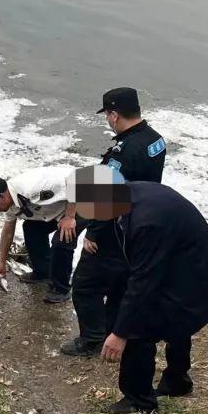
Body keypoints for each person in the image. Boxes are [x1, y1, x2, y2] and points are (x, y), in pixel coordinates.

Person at [80, 173, 208, 414]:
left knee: (139, 329)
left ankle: (139, 401)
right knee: (176, 322)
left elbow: (143, 281)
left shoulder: (147, 222)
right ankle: (177, 382)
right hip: (195, 268)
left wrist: (120, 333)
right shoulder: (135, 190)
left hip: (199, 278)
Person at [63, 86, 168, 357]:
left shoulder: (122, 153)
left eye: (107, 115)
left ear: (114, 114)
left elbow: (109, 195)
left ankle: (92, 340)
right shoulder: (156, 140)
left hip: (114, 227)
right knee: (121, 283)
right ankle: (114, 328)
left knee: (85, 285)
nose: (107, 120)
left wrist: (93, 234)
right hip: (142, 220)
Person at [0, 166, 81, 304]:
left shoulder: (32, 188)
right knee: (31, 229)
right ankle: (43, 272)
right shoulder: (11, 199)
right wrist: (1, 262)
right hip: (58, 209)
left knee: (61, 241)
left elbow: (76, 179)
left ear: (1, 196)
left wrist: (70, 216)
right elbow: (8, 232)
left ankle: (62, 288)